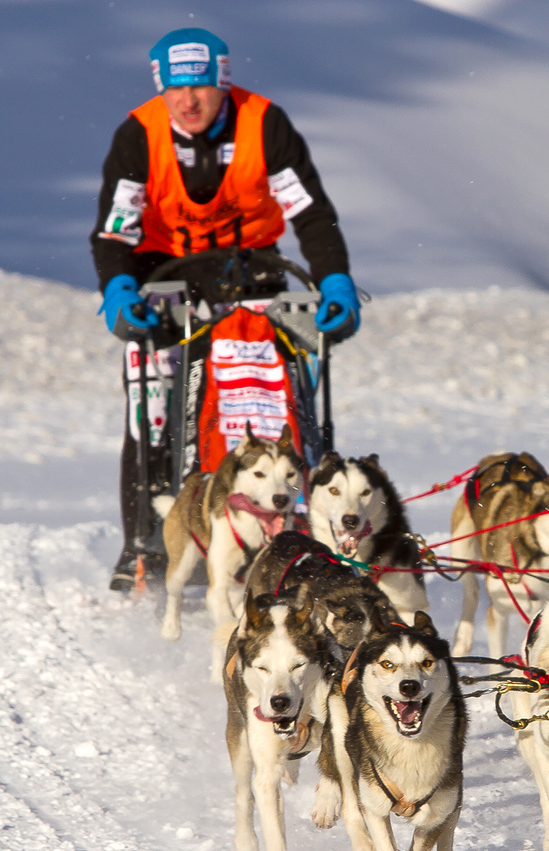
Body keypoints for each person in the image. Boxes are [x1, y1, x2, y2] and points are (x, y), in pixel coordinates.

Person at [91, 27, 360, 592]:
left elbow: (310, 213)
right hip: (164, 279)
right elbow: (115, 233)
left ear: (223, 85)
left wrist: (334, 279)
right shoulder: (138, 136)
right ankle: (145, 546)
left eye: (201, 88)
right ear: (162, 90)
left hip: (254, 276)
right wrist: (118, 289)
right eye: (176, 91)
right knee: (151, 406)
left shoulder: (265, 124)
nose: (188, 102)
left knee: (290, 400)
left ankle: (302, 538)